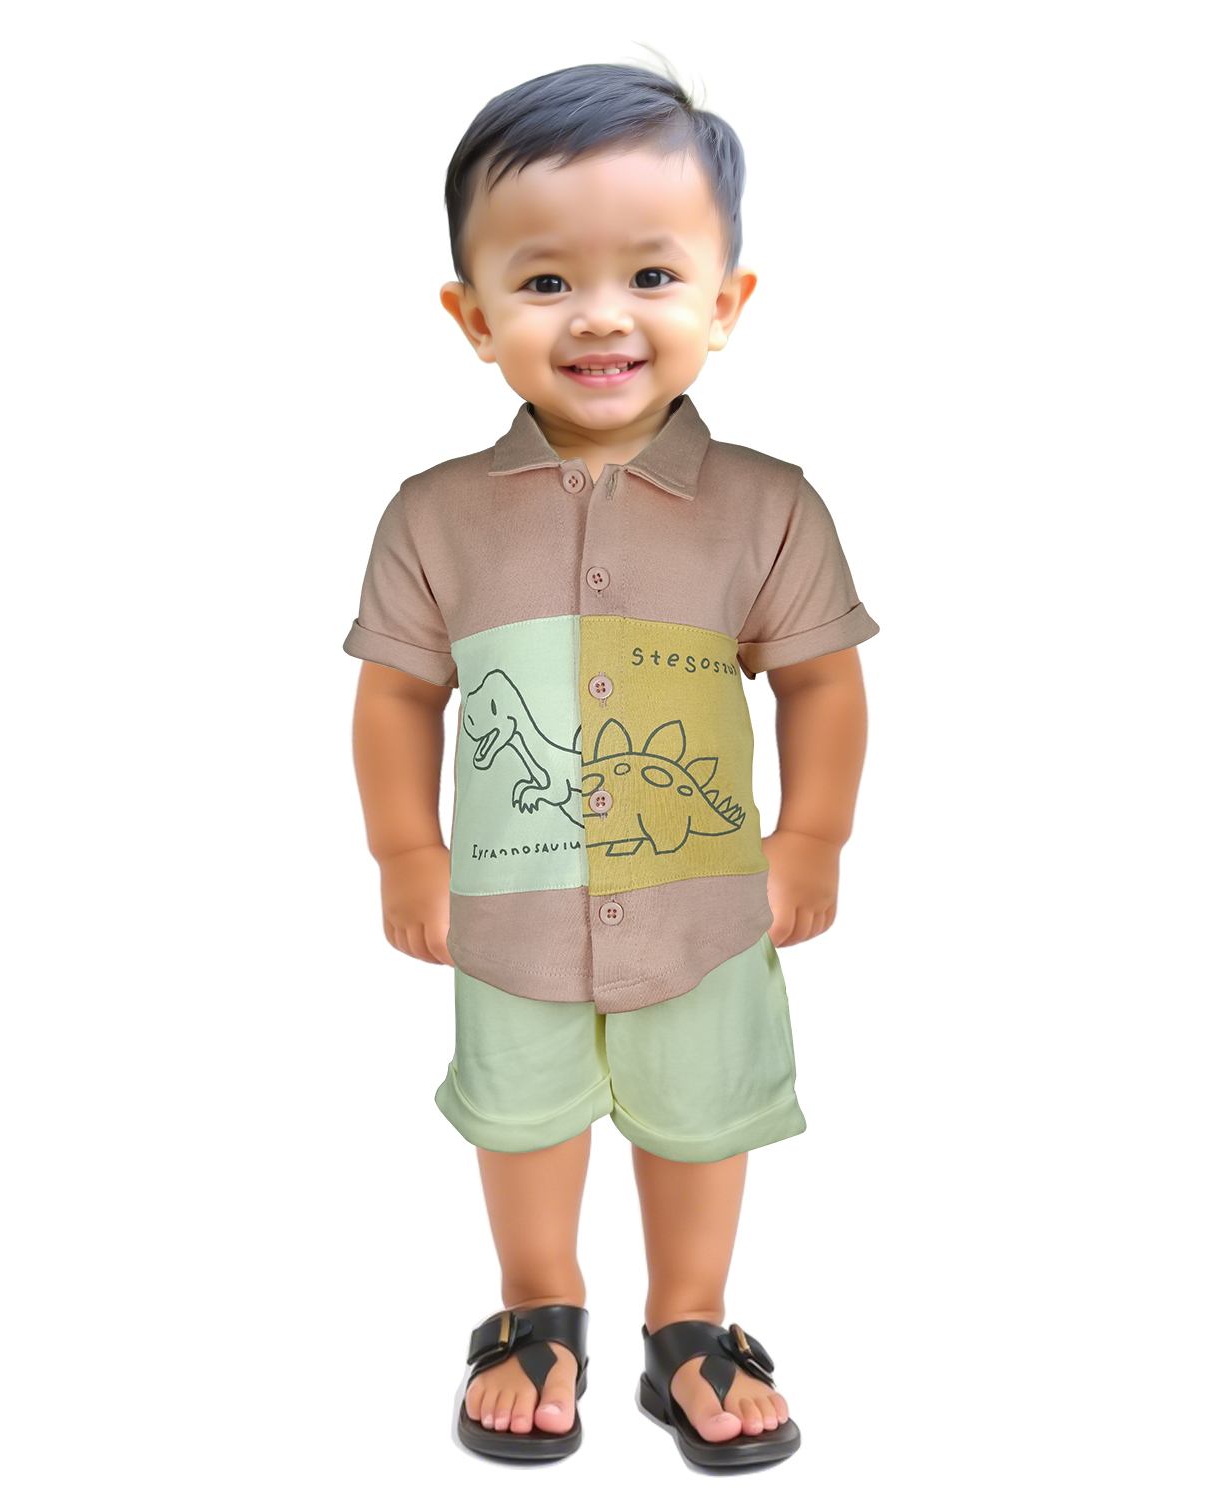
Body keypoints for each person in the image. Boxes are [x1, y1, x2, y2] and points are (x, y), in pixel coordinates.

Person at [344, 60, 878, 1468]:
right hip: (509, 912)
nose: (598, 315)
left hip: (705, 909)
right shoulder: (432, 517)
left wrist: (811, 836)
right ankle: (538, 1306)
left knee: (703, 1115)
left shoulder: (770, 508)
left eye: (651, 273)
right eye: (544, 281)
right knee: (518, 1112)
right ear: (473, 316)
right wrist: (406, 850)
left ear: (726, 301)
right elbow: (397, 695)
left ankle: (690, 1321)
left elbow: (821, 679)